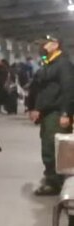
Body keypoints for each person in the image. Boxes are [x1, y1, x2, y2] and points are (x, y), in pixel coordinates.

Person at [26, 36, 74, 196]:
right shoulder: (50, 63)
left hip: (57, 112)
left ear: (55, 45)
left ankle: (55, 182)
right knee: (48, 145)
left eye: (45, 44)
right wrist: (35, 108)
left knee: (52, 147)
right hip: (47, 112)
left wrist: (65, 113)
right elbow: (44, 90)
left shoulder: (63, 65)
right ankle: (53, 178)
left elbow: (68, 90)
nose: (42, 48)